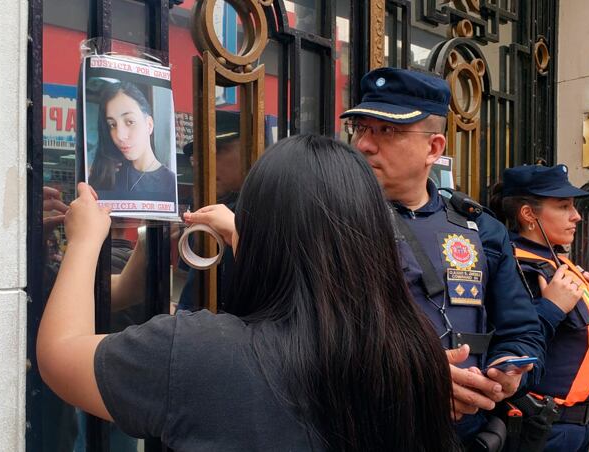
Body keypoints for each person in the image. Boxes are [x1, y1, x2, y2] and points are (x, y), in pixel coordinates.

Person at [37, 134, 461, 451]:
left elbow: (61, 354)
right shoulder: (412, 349)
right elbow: (314, 271)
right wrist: (246, 236)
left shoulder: (201, 353)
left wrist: (86, 239)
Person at [340, 67, 546, 446]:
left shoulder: (481, 229)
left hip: (464, 436)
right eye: (361, 129)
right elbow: (309, 339)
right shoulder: (332, 222)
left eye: (387, 131)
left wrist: (510, 371)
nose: (365, 144)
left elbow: (523, 332)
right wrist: (416, 379)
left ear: (434, 148)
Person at [489, 164, 589, 452]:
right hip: (543, 427)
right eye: (563, 206)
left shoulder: (556, 260)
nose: (577, 216)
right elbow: (511, 347)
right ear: (529, 214)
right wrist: (551, 308)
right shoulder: (516, 266)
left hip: (577, 425)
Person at [178, 110, 243, 311]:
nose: (203, 163)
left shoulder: (266, 211)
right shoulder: (208, 208)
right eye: (196, 157)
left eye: (218, 150)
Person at [89, 81, 176, 203]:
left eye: (129, 122)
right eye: (112, 125)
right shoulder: (107, 174)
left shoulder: (171, 183)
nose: (120, 135)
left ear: (149, 125)